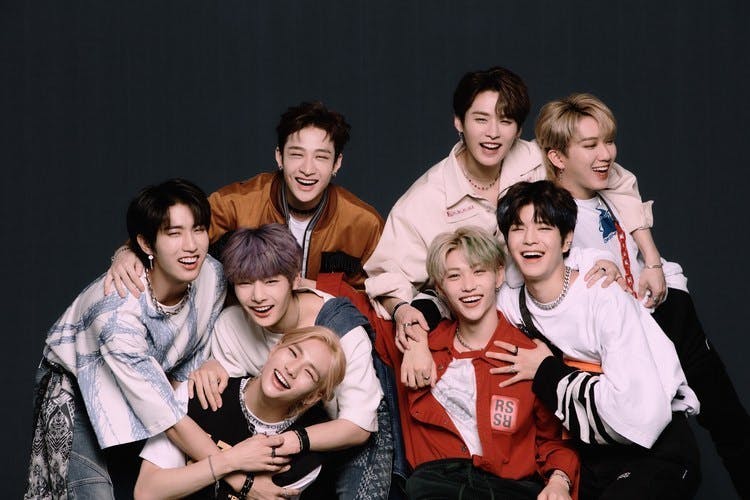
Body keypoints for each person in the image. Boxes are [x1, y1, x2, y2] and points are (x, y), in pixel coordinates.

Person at [362, 66, 642, 383]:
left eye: (505, 121)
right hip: (487, 330)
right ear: (459, 122)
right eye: (481, 119)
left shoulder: (537, 158)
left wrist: (649, 257)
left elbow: (612, 176)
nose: (493, 133)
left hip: (562, 311)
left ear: (518, 128)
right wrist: (404, 314)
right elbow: (385, 276)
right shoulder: (425, 199)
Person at [534, 92, 750, 497]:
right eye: (590, 145)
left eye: (608, 141)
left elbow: (630, 207)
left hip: (667, 311)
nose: (606, 154)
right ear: (557, 157)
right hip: (627, 340)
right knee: (662, 444)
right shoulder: (548, 219)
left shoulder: (612, 187)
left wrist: (655, 267)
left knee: (730, 421)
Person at [493, 180, 700, 499]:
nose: (530, 239)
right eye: (518, 229)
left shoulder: (603, 295)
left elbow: (637, 412)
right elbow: (458, 289)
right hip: (591, 459)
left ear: (567, 239)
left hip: (655, 448)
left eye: (544, 227)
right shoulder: (510, 302)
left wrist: (547, 370)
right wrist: (417, 322)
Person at [24, 179, 227, 499]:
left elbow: (182, 382)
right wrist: (239, 475)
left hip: (151, 389)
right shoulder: (115, 313)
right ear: (146, 244)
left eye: (198, 229)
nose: (191, 245)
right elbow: (170, 420)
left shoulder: (212, 276)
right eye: (174, 233)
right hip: (78, 392)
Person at [192, 224, 391, 499]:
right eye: (245, 283)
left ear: (296, 280)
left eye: (271, 282)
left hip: (349, 430)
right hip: (282, 426)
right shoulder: (231, 325)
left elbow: (358, 426)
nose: (258, 297)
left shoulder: (343, 331)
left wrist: (294, 440)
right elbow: (230, 411)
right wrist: (213, 365)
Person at [107, 101, 383, 294]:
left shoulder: (363, 223)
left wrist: (315, 289)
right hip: (242, 329)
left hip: (321, 337)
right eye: (297, 154)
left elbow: (377, 297)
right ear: (279, 157)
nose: (307, 169)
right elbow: (173, 229)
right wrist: (127, 252)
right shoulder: (236, 204)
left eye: (321, 157)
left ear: (337, 163)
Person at [134, 326, 347, 500]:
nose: (292, 369)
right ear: (275, 349)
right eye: (293, 353)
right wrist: (233, 460)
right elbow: (147, 492)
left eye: (309, 373)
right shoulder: (201, 392)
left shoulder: (306, 459)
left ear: (312, 397)